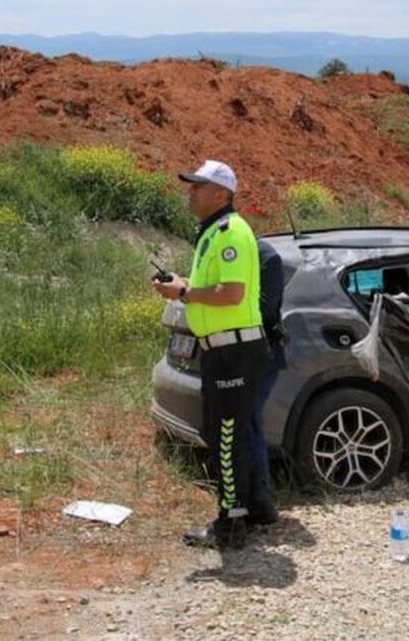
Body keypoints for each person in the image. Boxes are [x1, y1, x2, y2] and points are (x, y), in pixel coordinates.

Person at [151, 159, 268, 549]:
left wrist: (183, 293)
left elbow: (231, 294)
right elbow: (213, 289)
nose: (191, 192)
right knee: (224, 435)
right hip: (221, 350)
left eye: (198, 186)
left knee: (227, 437)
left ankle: (231, 524)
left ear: (222, 194)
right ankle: (245, 512)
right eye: (191, 185)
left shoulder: (231, 231)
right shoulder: (211, 234)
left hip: (235, 350)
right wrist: (181, 284)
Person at [248, 238, 286, 525]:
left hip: (260, 353)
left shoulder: (266, 257)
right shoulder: (256, 254)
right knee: (246, 424)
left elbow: (264, 311)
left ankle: (259, 501)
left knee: (249, 424)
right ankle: (253, 500)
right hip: (240, 353)